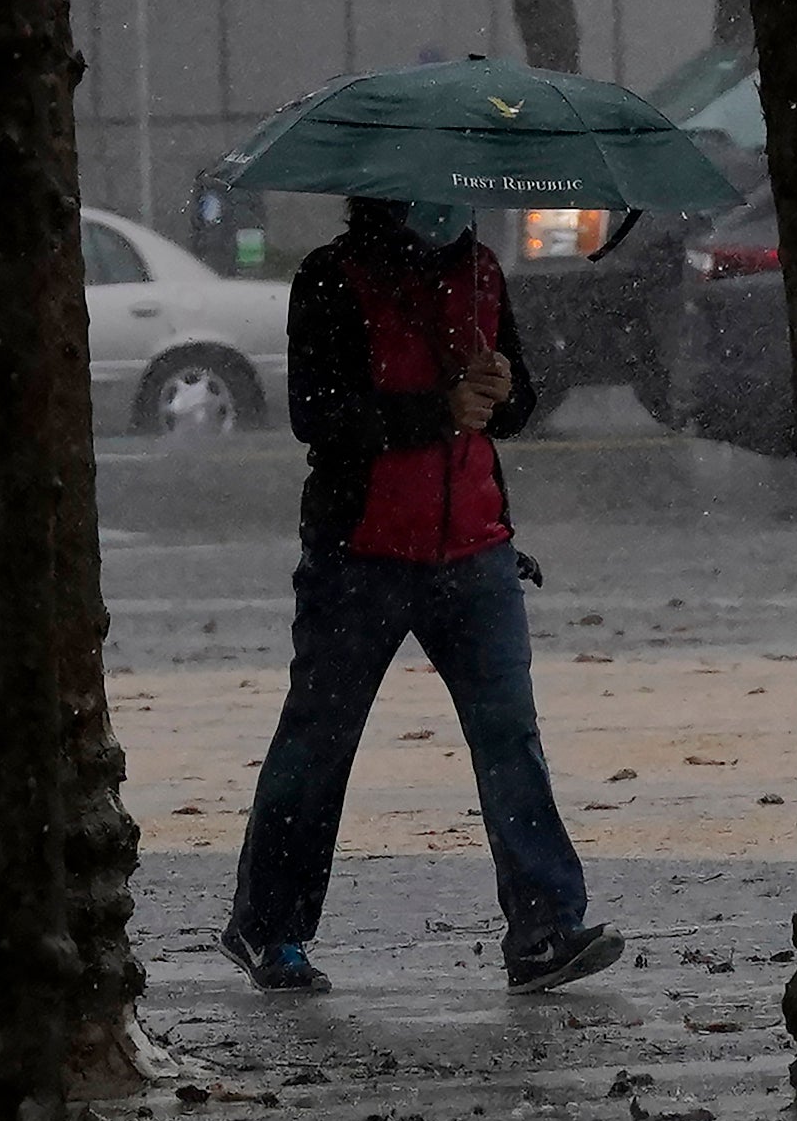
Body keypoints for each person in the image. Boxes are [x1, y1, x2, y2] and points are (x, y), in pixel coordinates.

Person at [222, 195, 622, 996]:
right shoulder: (330, 278)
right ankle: (269, 928)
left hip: (475, 549)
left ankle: (545, 929)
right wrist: (434, 411)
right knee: (319, 739)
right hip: (359, 554)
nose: (448, 207)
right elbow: (318, 413)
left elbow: (511, 409)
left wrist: (502, 389)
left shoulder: (478, 270)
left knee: (509, 735)